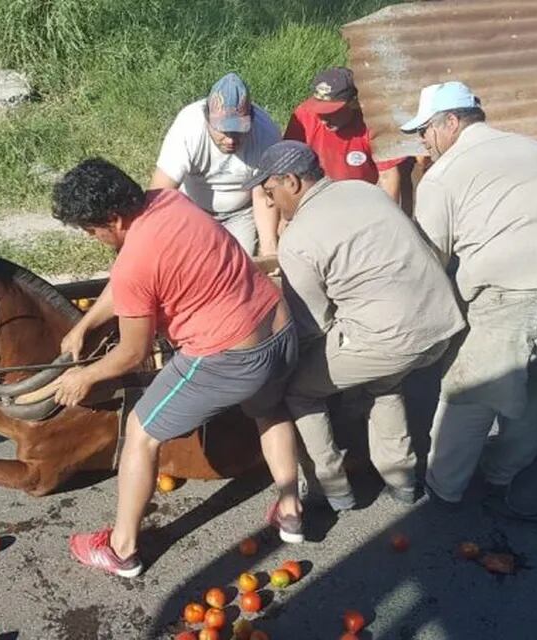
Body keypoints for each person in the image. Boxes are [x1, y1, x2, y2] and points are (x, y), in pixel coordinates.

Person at [51, 157, 302, 578]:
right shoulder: (169, 202)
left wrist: (86, 375)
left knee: (141, 430)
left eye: (89, 229)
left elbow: (132, 353)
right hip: (278, 329)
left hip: (227, 356)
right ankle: (291, 509)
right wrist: (87, 322)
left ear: (113, 218)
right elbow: (129, 276)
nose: (90, 237)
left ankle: (122, 549)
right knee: (268, 409)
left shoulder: (134, 262)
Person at [246, 141, 464, 511]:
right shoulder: (365, 191)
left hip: (392, 338)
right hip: (442, 321)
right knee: (385, 379)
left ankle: (333, 488)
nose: (271, 203)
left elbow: (313, 325)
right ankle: (402, 479)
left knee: (300, 388)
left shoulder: (298, 239)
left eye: (271, 192)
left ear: (293, 182)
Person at [400, 81, 537, 505]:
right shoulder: (532, 149)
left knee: (469, 398)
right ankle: (501, 476)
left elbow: (431, 259)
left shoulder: (441, 177)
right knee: (536, 397)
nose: (423, 140)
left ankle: (445, 489)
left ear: (452, 122)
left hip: (508, 301)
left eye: (425, 129)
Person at [150, 72, 282, 256]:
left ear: (251, 120)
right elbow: (161, 194)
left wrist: (269, 248)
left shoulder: (266, 133)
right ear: (207, 120)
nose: (230, 140)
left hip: (240, 213)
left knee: (238, 264)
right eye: (222, 131)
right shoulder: (188, 128)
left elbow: (264, 195)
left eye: (238, 131)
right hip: (192, 209)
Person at [283, 67, 407, 205]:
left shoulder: (374, 122)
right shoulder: (304, 115)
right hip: (317, 195)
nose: (323, 120)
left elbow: (388, 176)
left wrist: (387, 215)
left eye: (332, 112)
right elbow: (287, 165)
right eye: (319, 111)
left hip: (362, 196)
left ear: (353, 103)